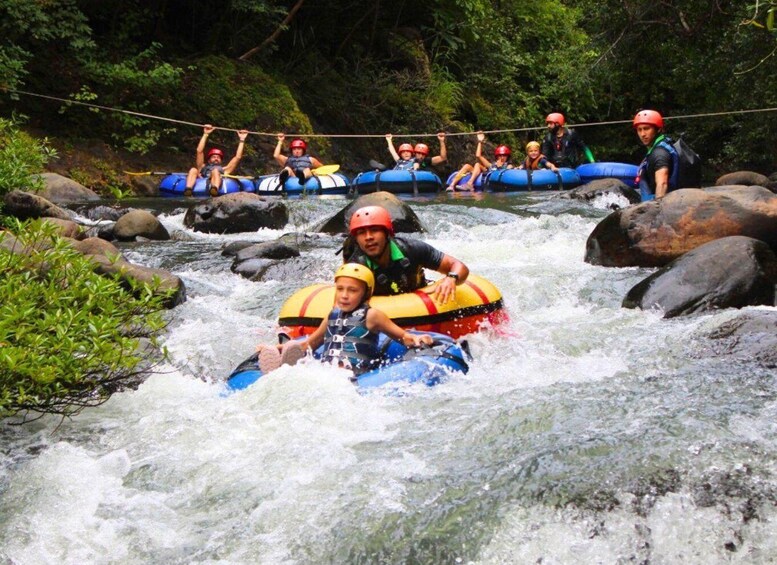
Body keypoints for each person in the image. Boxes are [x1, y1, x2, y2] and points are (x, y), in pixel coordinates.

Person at [255, 263, 433, 374]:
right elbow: (309, 344)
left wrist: (418, 339)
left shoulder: (373, 315)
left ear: (366, 293)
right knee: (304, 365)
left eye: (352, 290)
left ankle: (285, 372)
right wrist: (277, 348)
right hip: (327, 371)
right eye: (340, 289)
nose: (344, 295)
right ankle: (280, 370)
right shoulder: (331, 315)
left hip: (356, 374)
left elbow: (403, 337)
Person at [345, 205, 469, 303]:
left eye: (374, 230)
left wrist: (451, 278)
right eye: (361, 233)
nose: (368, 237)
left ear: (387, 234)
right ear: (356, 239)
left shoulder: (413, 249)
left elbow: (459, 266)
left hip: (419, 297)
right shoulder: (356, 267)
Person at [184, 125, 249, 196]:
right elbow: (199, 151)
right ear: (209, 160)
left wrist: (242, 140)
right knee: (193, 169)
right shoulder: (202, 166)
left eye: (218, 157)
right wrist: (205, 134)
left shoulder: (225, 170)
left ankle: (214, 189)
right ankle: (188, 189)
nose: (216, 158)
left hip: (216, 178)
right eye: (214, 157)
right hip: (202, 178)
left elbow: (238, 157)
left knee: (215, 171)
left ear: (221, 160)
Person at [447, 131, 513, 191]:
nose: (502, 157)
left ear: (507, 157)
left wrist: (500, 168)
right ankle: (452, 185)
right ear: (497, 156)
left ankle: (469, 183)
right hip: (484, 174)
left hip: (492, 179)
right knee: (469, 165)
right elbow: (478, 155)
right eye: (500, 155)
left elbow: (508, 172)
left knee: (477, 165)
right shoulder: (491, 165)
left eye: (504, 155)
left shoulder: (509, 165)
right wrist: (480, 141)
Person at [632, 109, 675, 201]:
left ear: (658, 129)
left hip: (661, 205)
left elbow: (662, 183)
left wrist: (657, 209)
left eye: (646, 128)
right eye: (639, 130)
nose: (643, 134)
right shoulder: (657, 148)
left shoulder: (660, 154)